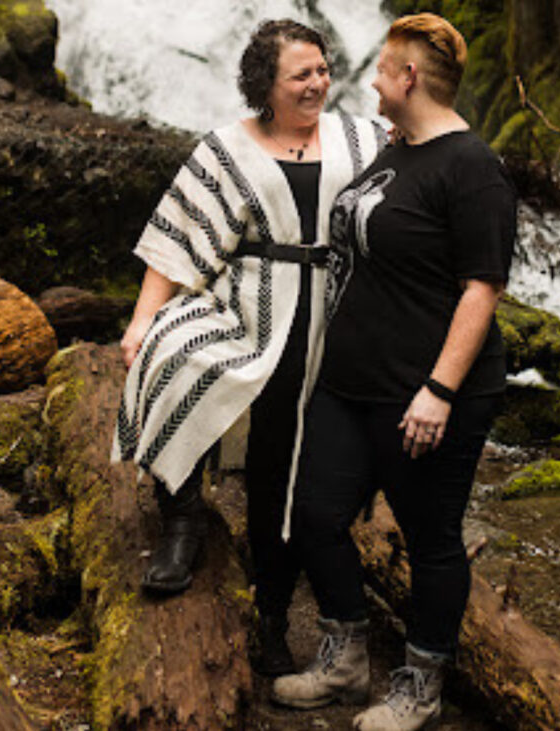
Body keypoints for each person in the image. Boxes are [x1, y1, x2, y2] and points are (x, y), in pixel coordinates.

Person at [112, 19, 385, 677]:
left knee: (281, 463)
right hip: (245, 308)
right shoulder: (226, 148)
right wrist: (143, 319)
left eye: (323, 69)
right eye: (302, 74)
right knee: (174, 358)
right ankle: (182, 521)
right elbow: (178, 238)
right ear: (266, 84)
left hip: (332, 317)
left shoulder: (362, 137)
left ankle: (270, 614)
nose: (318, 82)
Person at [272, 13, 516, 730]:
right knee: (316, 513)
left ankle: (420, 683)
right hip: (349, 382)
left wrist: (439, 390)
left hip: (427, 393)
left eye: (382, 67)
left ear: (409, 77)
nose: (370, 77)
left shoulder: (473, 169)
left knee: (430, 538)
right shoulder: (395, 149)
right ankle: (345, 656)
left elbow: (483, 287)